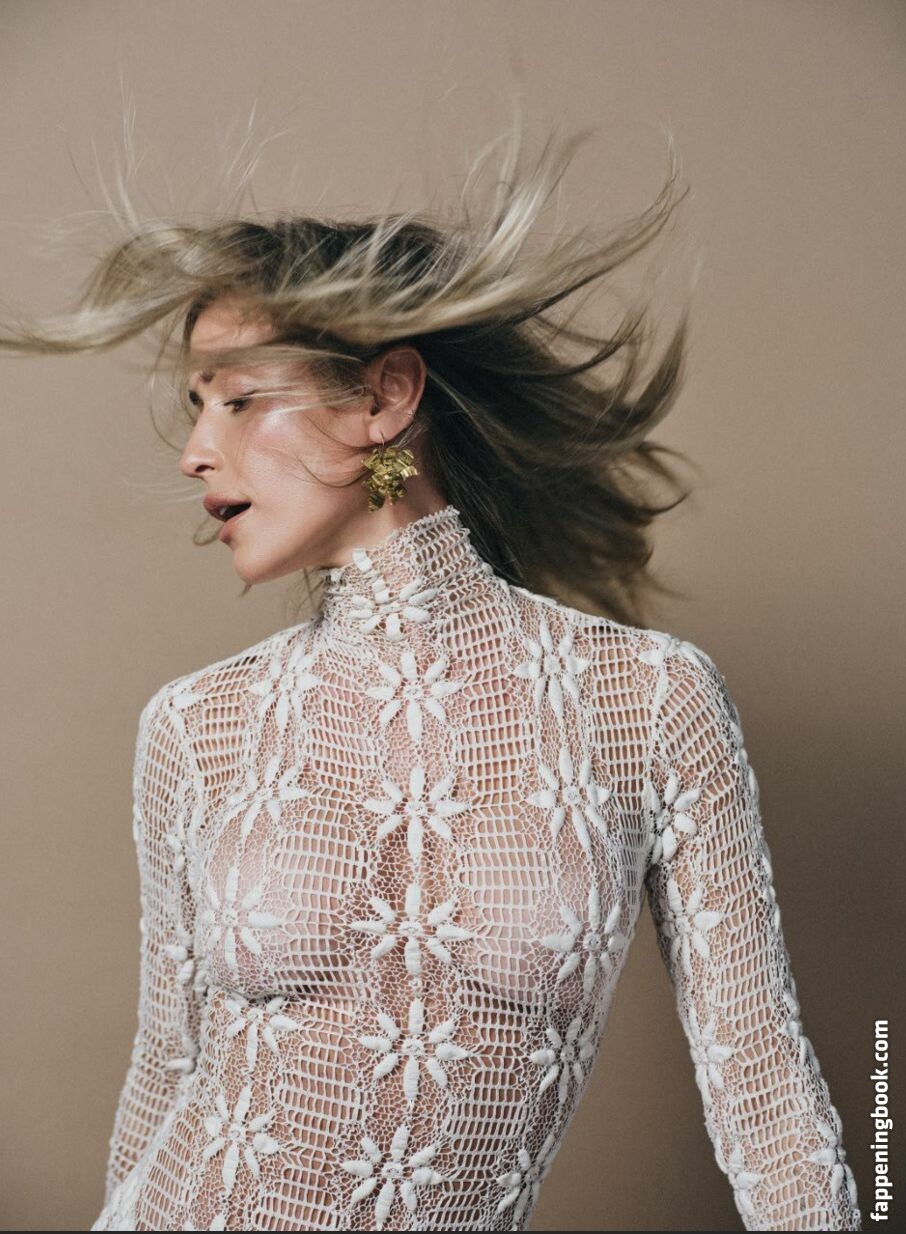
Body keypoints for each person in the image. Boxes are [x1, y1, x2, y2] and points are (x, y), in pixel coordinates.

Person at [1, 123, 861, 1232]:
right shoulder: (197, 724)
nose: (195, 450)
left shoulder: (650, 700)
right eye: (196, 404)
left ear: (384, 397)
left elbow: (767, 1090)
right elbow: (165, 1073)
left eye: (238, 398)